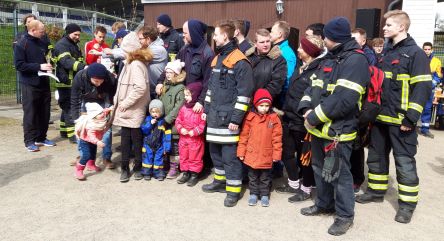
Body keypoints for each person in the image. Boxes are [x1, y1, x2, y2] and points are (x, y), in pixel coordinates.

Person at [356, 10, 432, 224]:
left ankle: (407, 205)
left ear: (402, 27)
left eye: (389, 25)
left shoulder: (415, 53)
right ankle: (376, 191)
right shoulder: (386, 54)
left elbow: (423, 87)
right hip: (381, 119)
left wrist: (411, 117)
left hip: (402, 122)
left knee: (404, 162)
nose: (384, 28)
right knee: (376, 157)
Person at [298, 17, 370, 236]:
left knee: (340, 176)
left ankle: (344, 215)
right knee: (320, 170)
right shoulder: (329, 58)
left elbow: (345, 99)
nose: (323, 40)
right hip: (319, 129)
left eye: (325, 37)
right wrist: (305, 109)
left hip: (338, 132)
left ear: (332, 38)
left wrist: (314, 117)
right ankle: (324, 204)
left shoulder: (356, 61)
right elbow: (312, 86)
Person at [202, 20, 254, 207]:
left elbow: (244, 94)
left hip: (229, 119)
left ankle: (233, 191)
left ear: (225, 36)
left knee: (230, 157)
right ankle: (219, 181)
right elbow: (211, 88)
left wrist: (236, 119)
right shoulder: (218, 59)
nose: (214, 37)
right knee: (215, 152)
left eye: (216, 34)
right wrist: (206, 110)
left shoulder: (240, 61)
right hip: (215, 116)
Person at [276, 35, 324, 202]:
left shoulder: (317, 71)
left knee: (305, 158)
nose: (298, 50)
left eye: (302, 48)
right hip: (289, 118)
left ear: (309, 51)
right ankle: (293, 183)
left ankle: (306, 189)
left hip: (303, 122)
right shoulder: (301, 67)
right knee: (287, 152)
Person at [113, 32, 152, 182]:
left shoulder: (135, 64)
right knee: (127, 139)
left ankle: (134, 168)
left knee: (133, 140)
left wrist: (125, 103)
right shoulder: (131, 63)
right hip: (130, 109)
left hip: (133, 109)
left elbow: (140, 88)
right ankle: (128, 168)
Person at [14, 20, 56, 152]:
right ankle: (29, 141)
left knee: (45, 112)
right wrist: (38, 66)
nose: (44, 33)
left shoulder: (43, 41)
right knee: (31, 113)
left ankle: (41, 137)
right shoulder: (21, 44)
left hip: (44, 82)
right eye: (41, 31)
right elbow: (19, 65)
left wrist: (49, 66)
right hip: (29, 84)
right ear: (33, 30)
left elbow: (46, 58)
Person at [157, 19, 214, 114]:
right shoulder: (185, 49)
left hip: (196, 103)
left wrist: (201, 102)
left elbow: (209, 82)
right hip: (182, 98)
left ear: (194, 33)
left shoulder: (208, 54)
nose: (183, 35)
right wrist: (160, 81)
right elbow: (171, 66)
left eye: (185, 33)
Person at [237, 89, 282, 207]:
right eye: (261, 105)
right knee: (252, 176)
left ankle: (264, 194)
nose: (264, 108)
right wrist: (241, 151)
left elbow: (277, 138)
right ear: (256, 105)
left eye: (267, 105)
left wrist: (277, 154)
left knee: (265, 177)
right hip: (251, 154)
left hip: (266, 155)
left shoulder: (274, 118)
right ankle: (253, 193)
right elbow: (244, 136)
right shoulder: (250, 117)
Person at [71, 63, 116, 168]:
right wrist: (77, 119)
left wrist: (108, 116)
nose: (99, 84)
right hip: (85, 102)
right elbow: (74, 99)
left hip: (103, 101)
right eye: (96, 81)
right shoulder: (80, 77)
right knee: (83, 128)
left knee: (106, 130)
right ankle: (83, 156)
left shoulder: (110, 79)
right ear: (89, 77)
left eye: (101, 81)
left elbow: (111, 98)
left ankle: (106, 157)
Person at [53, 23, 86, 143]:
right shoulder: (62, 45)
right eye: (75, 34)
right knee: (70, 108)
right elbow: (66, 62)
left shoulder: (72, 44)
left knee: (65, 107)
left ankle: (63, 131)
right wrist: (84, 67)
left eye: (79, 34)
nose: (78, 37)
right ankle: (73, 136)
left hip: (70, 81)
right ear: (68, 33)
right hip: (66, 82)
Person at [175, 82, 206, 186]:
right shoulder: (183, 108)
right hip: (184, 138)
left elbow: (202, 124)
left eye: (188, 95)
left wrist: (195, 131)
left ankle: (194, 174)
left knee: (195, 157)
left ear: (195, 95)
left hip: (195, 140)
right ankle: (185, 173)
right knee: (183, 156)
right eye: (185, 95)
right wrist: (180, 128)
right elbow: (178, 120)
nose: (185, 97)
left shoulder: (199, 110)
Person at [159, 60, 186, 179]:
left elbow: (178, 106)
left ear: (176, 73)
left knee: (174, 146)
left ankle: (174, 167)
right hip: (163, 121)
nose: (167, 74)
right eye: (166, 72)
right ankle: (166, 164)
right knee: (165, 144)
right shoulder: (165, 85)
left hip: (173, 123)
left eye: (170, 72)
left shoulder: (180, 88)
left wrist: (168, 119)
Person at [245, 28, 287, 101]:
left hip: (265, 104)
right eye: (262, 42)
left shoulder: (279, 60)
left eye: (268, 41)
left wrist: (260, 99)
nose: (265, 44)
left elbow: (276, 85)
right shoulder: (248, 57)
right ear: (255, 43)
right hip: (247, 100)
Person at [74, 102, 112, 180]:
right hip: (85, 141)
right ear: (93, 116)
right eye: (99, 113)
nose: (102, 114)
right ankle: (79, 169)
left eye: (101, 112)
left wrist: (111, 108)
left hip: (93, 141)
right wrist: (98, 142)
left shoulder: (100, 117)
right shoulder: (91, 125)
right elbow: (91, 137)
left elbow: (105, 111)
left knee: (93, 154)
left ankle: (91, 165)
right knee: (86, 155)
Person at [140, 99, 172, 181]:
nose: (155, 114)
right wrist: (150, 124)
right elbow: (143, 130)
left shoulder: (163, 122)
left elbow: (167, 136)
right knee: (147, 158)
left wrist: (166, 147)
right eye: (153, 112)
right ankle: (147, 173)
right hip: (148, 144)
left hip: (159, 145)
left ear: (161, 112)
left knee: (159, 159)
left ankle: (158, 173)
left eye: (157, 112)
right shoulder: (147, 119)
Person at [270, 20, 297, 108]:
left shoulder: (286, 53)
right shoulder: (273, 49)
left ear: (279, 34)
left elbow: (287, 78)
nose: (270, 34)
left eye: (272, 31)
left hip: (278, 100)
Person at [137, 26, 168, 99]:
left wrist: (112, 52)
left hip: (158, 91)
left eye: (140, 39)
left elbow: (136, 55)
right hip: (150, 90)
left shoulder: (159, 49)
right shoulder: (148, 48)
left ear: (148, 39)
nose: (139, 41)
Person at [420, 42, 442, 138]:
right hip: (419, 86)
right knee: (415, 106)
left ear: (432, 50)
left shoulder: (437, 61)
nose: (427, 51)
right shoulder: (418, 59)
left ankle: (425, 129)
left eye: (429, 49)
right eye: (425, 49)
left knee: (427, 108)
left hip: (430, 87)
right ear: (423, 49)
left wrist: (433, 83)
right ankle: (411, 128)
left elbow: (439, 75)